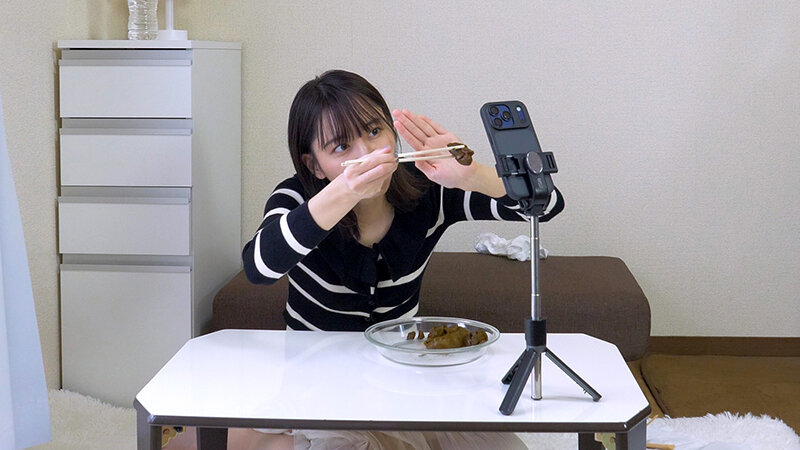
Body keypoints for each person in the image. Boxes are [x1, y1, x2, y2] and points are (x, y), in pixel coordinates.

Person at [238, 70, 545, 449]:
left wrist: (472, 176)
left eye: (374, 131)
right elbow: (258, 267)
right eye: (341, 147)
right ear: (314, 165)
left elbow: (544, 205)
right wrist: (345, 192)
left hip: (404, 379)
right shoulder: (298, 198)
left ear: (392, 132)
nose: (367, 153)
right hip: (317, 386)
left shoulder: (428, 189)